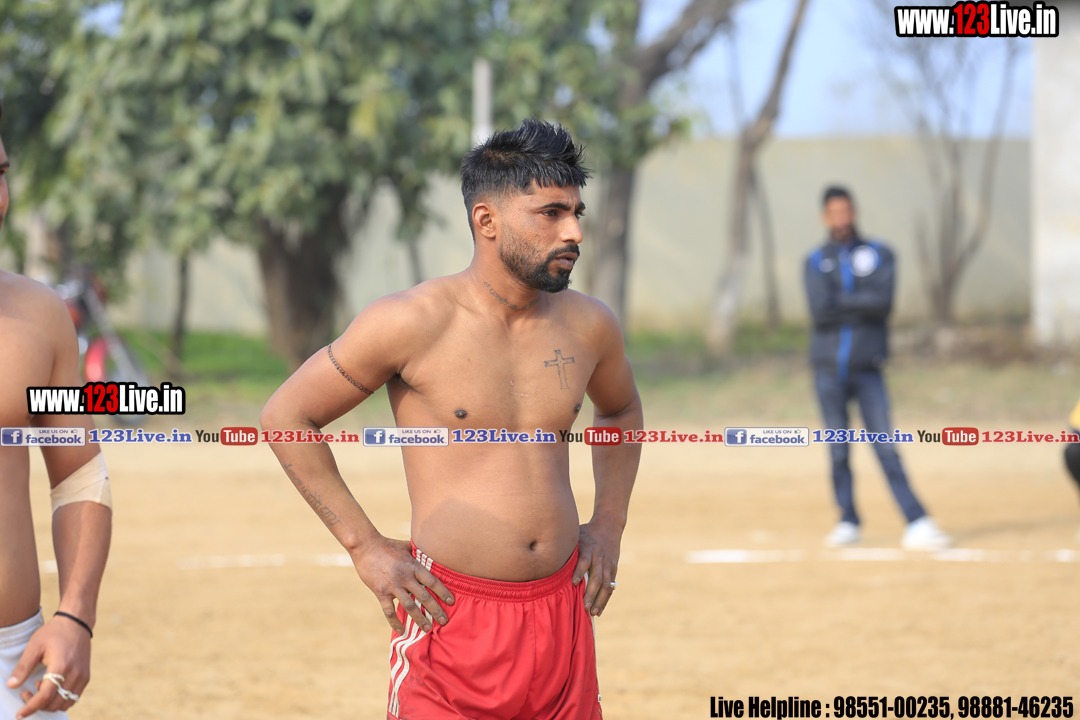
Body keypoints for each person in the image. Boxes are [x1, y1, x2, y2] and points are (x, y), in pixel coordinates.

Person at [262, 119, 642, 720]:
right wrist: (364, 546)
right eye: (550, 213)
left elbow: (620, 410)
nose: (573, 232)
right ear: (486, 220)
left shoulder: (589, 325)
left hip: (563, 614)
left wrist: (610, 524)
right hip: (449, 618)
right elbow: (287, 416)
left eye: (577, 213)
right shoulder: (411, 322)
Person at [0, 98, 113, 720]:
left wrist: (75, 616)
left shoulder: (40, 316)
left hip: (12, 662)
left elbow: (80, 476)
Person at [803, 185, 951, 551]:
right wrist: (859, 303)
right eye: (834, 212)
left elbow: (883, 303)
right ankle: (847, 520)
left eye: (846, 211)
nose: (841, 218)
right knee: (838, 450)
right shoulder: (815, 260)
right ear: (824, 217)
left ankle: (917, 519)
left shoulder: (880, 253)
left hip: (869, 369)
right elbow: (820, 310)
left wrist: (842, 302)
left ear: (855, 212)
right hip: (827, 372)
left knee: (885, 445)